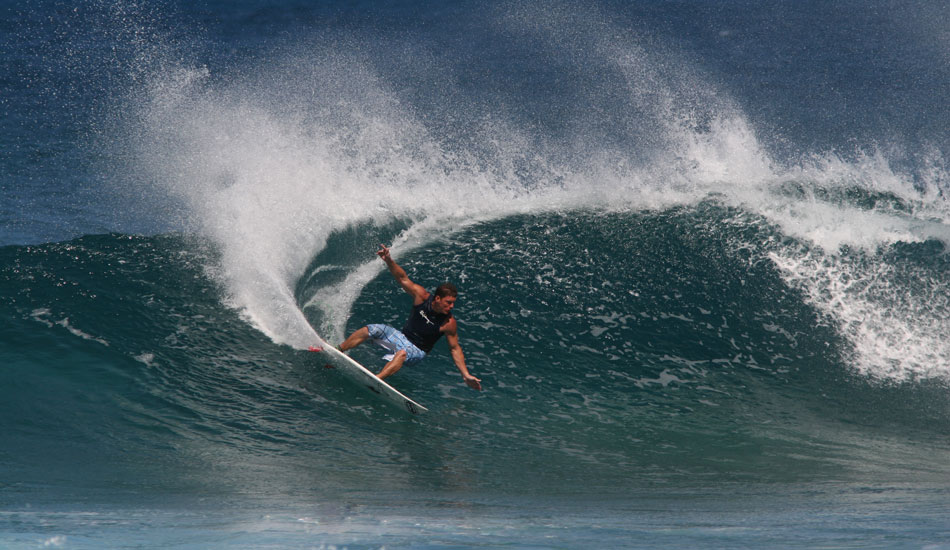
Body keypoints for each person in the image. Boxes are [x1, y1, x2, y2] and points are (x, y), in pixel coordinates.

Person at [313, 244, 482, 391]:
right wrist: (388, 260)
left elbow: (455, 348)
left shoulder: (448, 322)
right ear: (437, 298)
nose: (451, 307)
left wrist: (465, 375)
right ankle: (338, 351)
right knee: (371, 329)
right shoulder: (422, 297)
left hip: (417, 351)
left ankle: (376, 380)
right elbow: (402, 278)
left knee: (402, 353)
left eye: (453, 303)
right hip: (401, 337)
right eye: (448, 302)